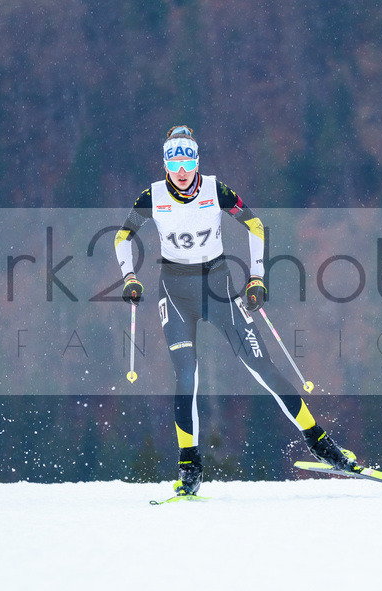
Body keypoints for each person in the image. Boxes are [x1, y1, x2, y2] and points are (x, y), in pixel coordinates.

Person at [114, 125, 362, 496]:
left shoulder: (216, 190)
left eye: (188, 160)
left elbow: (255, 225)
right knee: (186, 378)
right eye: (173, 160)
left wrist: (257, 278)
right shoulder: (153, 195)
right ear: (165, 164)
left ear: (197, 161)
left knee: (263, 367)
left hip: (217, 289)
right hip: (175, 293)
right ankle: (189, 467)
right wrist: (129, 276)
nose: (181, 171)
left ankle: (323, 446)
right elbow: (122, 236)